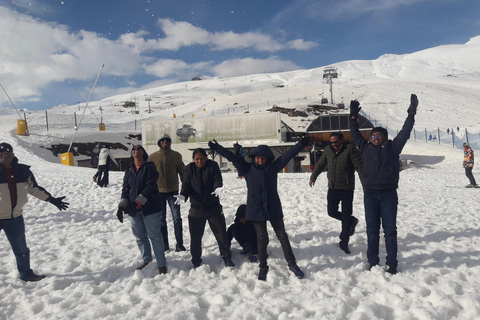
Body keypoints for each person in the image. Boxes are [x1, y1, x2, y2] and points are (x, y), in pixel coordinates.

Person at [209, 137, 310, 280]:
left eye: (263, 158)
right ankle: (263, 267)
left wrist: (301, 144)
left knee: (283, 237)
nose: (260, 160)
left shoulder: (273, 168)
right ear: (254, 158)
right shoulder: (247, 169)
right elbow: (232, 157)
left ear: (267, 159)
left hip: (273, 207)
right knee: (261, 239)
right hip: (256, 208)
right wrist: (217, 148)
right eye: (257, 158)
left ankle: (292, 264)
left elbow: (288, 155)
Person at [349, 94, 418, 275]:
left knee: (390, 231)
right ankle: (373, 262)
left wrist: (411, 113)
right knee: (372, 231)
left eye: (378, 135)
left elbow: (405, 131)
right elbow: (355, 134)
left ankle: (392, 263)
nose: (375, 138)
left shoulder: (393, 147)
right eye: (373, 135)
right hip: (370, 194)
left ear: (385, 137)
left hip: (388, 194)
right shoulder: (365, 148)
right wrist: (353, 116)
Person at [0, 142, 69, 282]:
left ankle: (26, 274)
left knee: (21, 250)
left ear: (13, 154)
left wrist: (51, 199)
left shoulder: (22, 171)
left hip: (16, 218)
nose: (5, 156)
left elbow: (34, 189)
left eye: (7, 154)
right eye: (1, 154)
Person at [174, 148, 234, 268]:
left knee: (221, 234)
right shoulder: (189, 168)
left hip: (213, 207)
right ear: (193, 159)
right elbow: (186, 184)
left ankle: (226, 257)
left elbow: (217, 179)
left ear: (206, 158)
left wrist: (218, 187)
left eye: (202, 158)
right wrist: (183, 195)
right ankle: (196, 260)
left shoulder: (212, 166)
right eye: (197, 159)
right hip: (196, 208)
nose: (200, 161)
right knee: (195, 237)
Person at [309, 132, 364, 254]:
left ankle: (344, 242)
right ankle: (352, 221)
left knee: (345, 217)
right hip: (333, 187)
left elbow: (360, 167)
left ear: (342, 140)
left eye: (336, 142)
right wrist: (313, 176)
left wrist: (365, 185)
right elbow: (320, 164)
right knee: (331, 212)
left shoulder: (350, 149)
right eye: (332, 142)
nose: (334, 144)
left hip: (347, 188)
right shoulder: (328, 150)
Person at [118, 145, 167, 274]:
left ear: (143, 153)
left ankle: (161, 264)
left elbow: (150, 186)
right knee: (140, 236)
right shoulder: (129, 170)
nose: (136, 151)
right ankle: (147, 260)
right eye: (134, 149)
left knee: (154, 235)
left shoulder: (149, 167)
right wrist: (122, 205)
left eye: (139, 149)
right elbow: (126, 188)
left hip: (151, 208)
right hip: (134, 209)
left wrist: (138, 201)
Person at [148, 133, 186, 252]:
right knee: (161, 220)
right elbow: (148, 175)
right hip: (158, 193)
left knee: (177, 218)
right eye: (162, 141)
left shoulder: (176, 156)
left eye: (167, 140)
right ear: (159, 143)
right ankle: (165, 244)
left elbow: (183, 173)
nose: (165, 142)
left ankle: (179, 244)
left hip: (173, 192)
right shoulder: (152, 157)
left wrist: (185, 188)